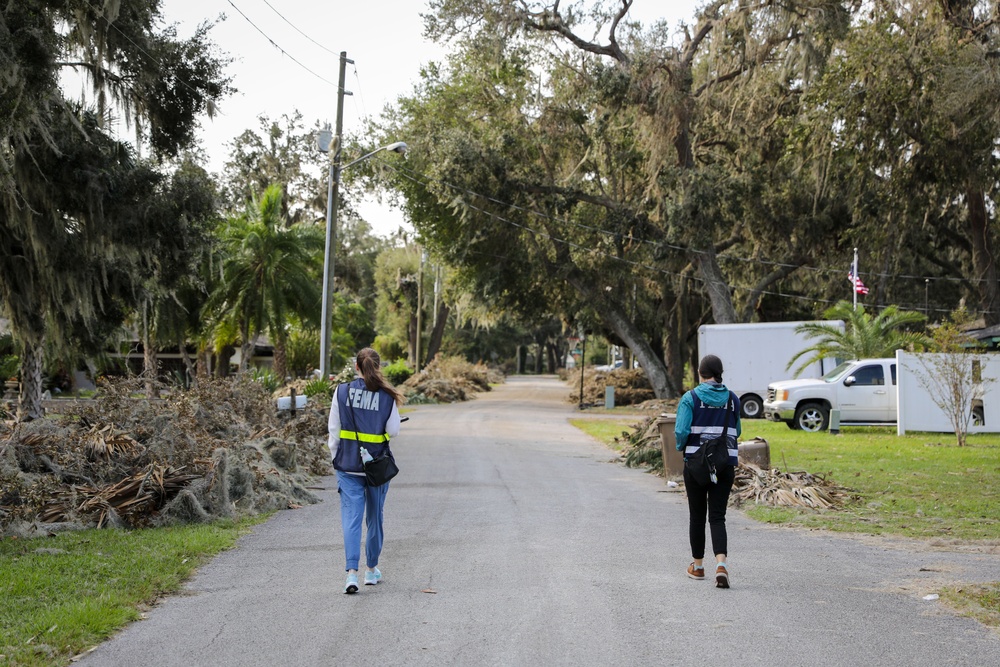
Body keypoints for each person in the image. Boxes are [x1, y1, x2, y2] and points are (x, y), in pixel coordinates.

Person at [328, 347, 404, 594]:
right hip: (377, 467)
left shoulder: (341, 392)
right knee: (374, 518)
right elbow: (393, 431)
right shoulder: (386, 396)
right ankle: (371, 570)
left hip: (348, 466)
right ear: (377, 367)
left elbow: (334, 432)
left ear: (356, 367)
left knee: (351, 520)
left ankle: (351, 574)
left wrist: (337, 459)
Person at [675, 354, 741, 589]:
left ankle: (698, 566)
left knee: (697, 516)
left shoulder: (690, 398)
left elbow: (681, 432)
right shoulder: (733, 400)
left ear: (700, 373)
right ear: (719, 373)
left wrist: (682, 447)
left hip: (696, 464)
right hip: (724, 465)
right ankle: (721, 564)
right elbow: (738, 430)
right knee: (717, 516)